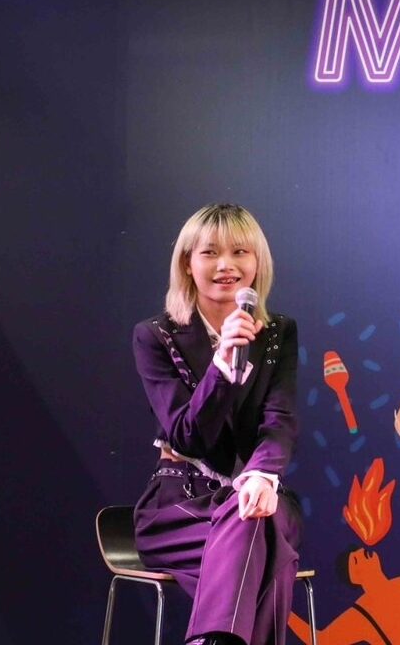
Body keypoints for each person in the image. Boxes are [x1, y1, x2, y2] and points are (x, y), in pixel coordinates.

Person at [132, 203, 301, 645]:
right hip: (181, 509)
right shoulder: (156, 336)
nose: (226, 265)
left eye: (240, 252)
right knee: (261, 539)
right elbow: (187, 436)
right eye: (210, 253)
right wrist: (222, 366)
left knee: (255, 518)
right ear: (188, 264)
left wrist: (262, 475)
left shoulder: (278, 333)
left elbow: (279, 419)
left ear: (258, 262)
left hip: (259, 496)